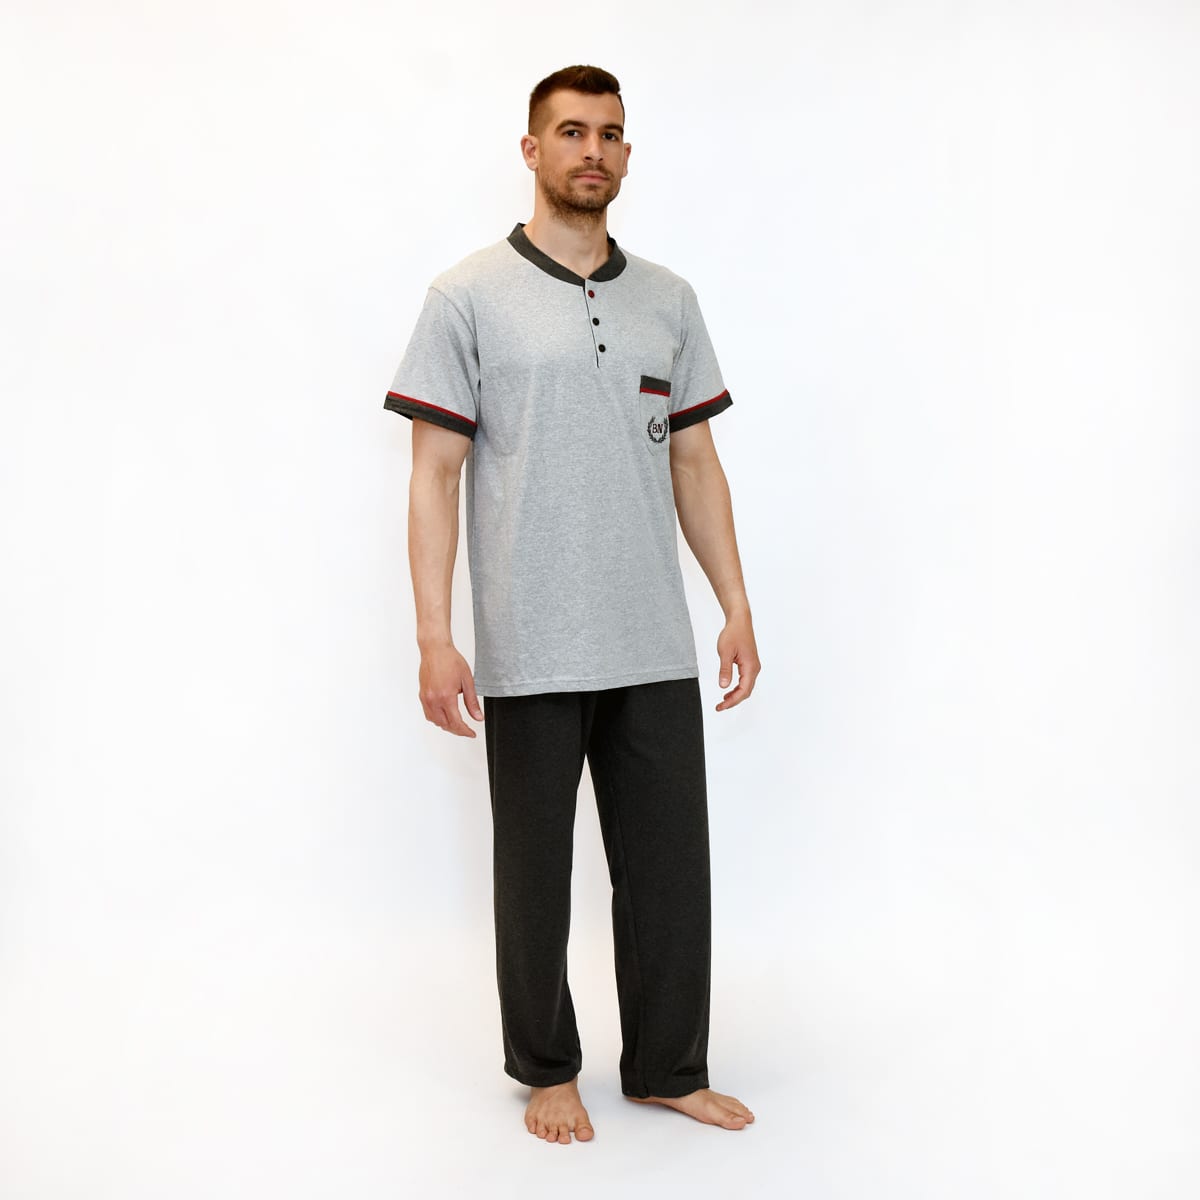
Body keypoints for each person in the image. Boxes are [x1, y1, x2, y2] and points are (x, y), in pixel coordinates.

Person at [383, 65, 760, 1144]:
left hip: (653, 640)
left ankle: (668, 1066)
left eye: (609, 133)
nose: (592, 150)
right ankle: (547, 1069)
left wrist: (734, 604)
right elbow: (435, 474)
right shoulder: (465, 297)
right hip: (532, 641)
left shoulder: (668, 301)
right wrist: (434, 637)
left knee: (670, 876)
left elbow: (694, 460)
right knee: (534, 877)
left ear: (626, 154)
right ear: (532, 149)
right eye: (570, 132)